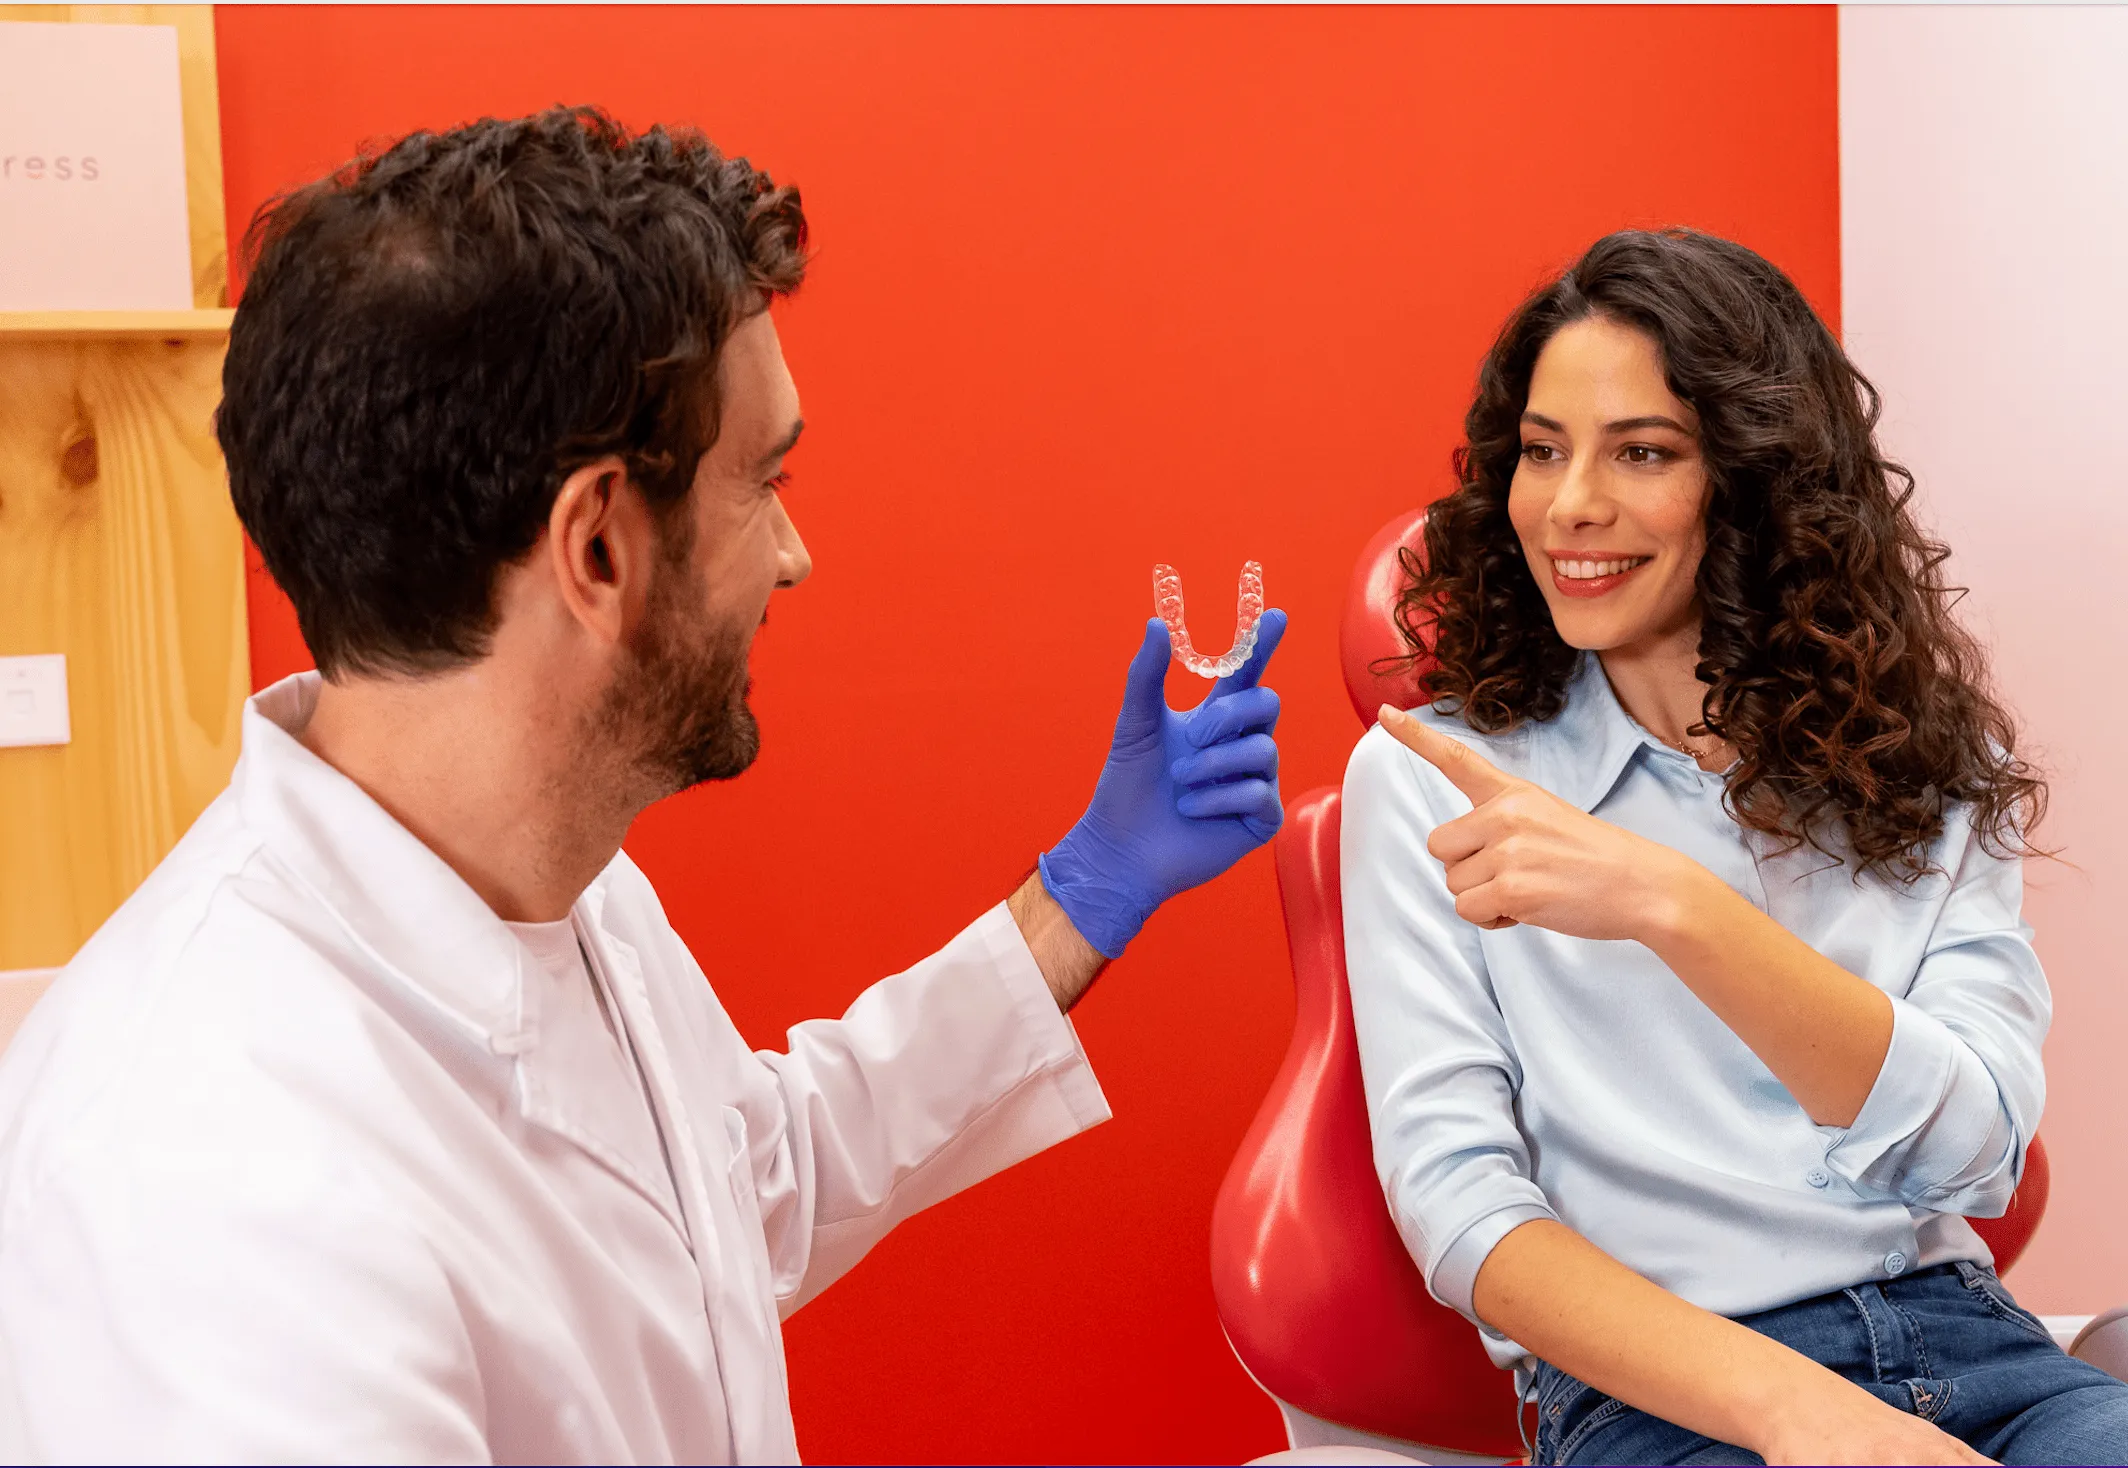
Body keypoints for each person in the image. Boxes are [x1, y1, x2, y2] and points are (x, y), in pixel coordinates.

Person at [0, 108, 1287, 1462]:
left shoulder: (549, 881)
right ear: (599, 548)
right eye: (764, 482)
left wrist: (1077, 899)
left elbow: (738, 1185)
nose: (793, 556)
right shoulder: (215, 1188)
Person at [1342, 229, 2128, 1465]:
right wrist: (1798, 1412)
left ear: (1757, 481)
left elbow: (1977, 1157)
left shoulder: (1919, 763)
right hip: (1664, 1398)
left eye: (1642, 452)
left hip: (1974, 1350)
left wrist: (1675, 907)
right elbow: (1464, 1212)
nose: (1570, 505)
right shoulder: (1432, 780)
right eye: (1542, 452)